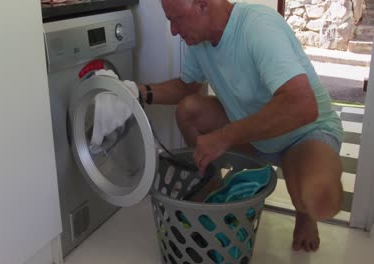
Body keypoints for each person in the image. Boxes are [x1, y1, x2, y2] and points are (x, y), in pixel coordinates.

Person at [137, 0, 344, 252]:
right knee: (189, 110)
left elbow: (302, 105)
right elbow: (186, 87)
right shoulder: (198, 39)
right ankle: (215, 189)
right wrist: (139, 92)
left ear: (203, 5)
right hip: (253, 132)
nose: (173, 30)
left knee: (317, 198)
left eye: (176, 19)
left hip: (302, 135)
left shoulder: (257, 26)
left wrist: (224, 137)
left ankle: (303, 209)